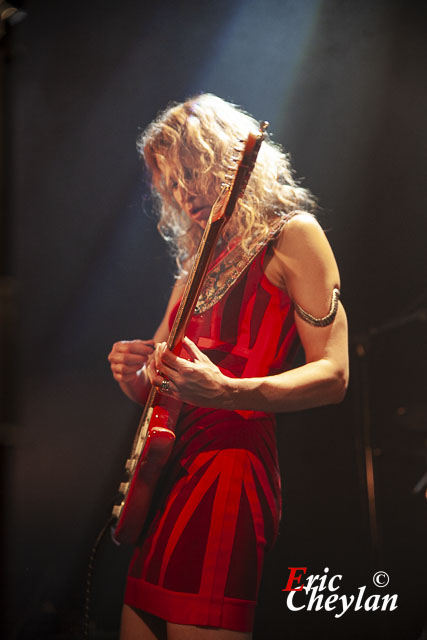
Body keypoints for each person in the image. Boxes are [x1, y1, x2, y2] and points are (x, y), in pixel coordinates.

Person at [108, 94, 348, 640]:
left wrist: (228, 391)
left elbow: (334, 375)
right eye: (170, 184)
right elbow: (161, 389)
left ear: (227, 156)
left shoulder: (293, 234)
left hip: (231, 472)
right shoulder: (194, 264)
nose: (183, 191)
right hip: (171, 473)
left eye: (191, 171)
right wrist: (134, 377)